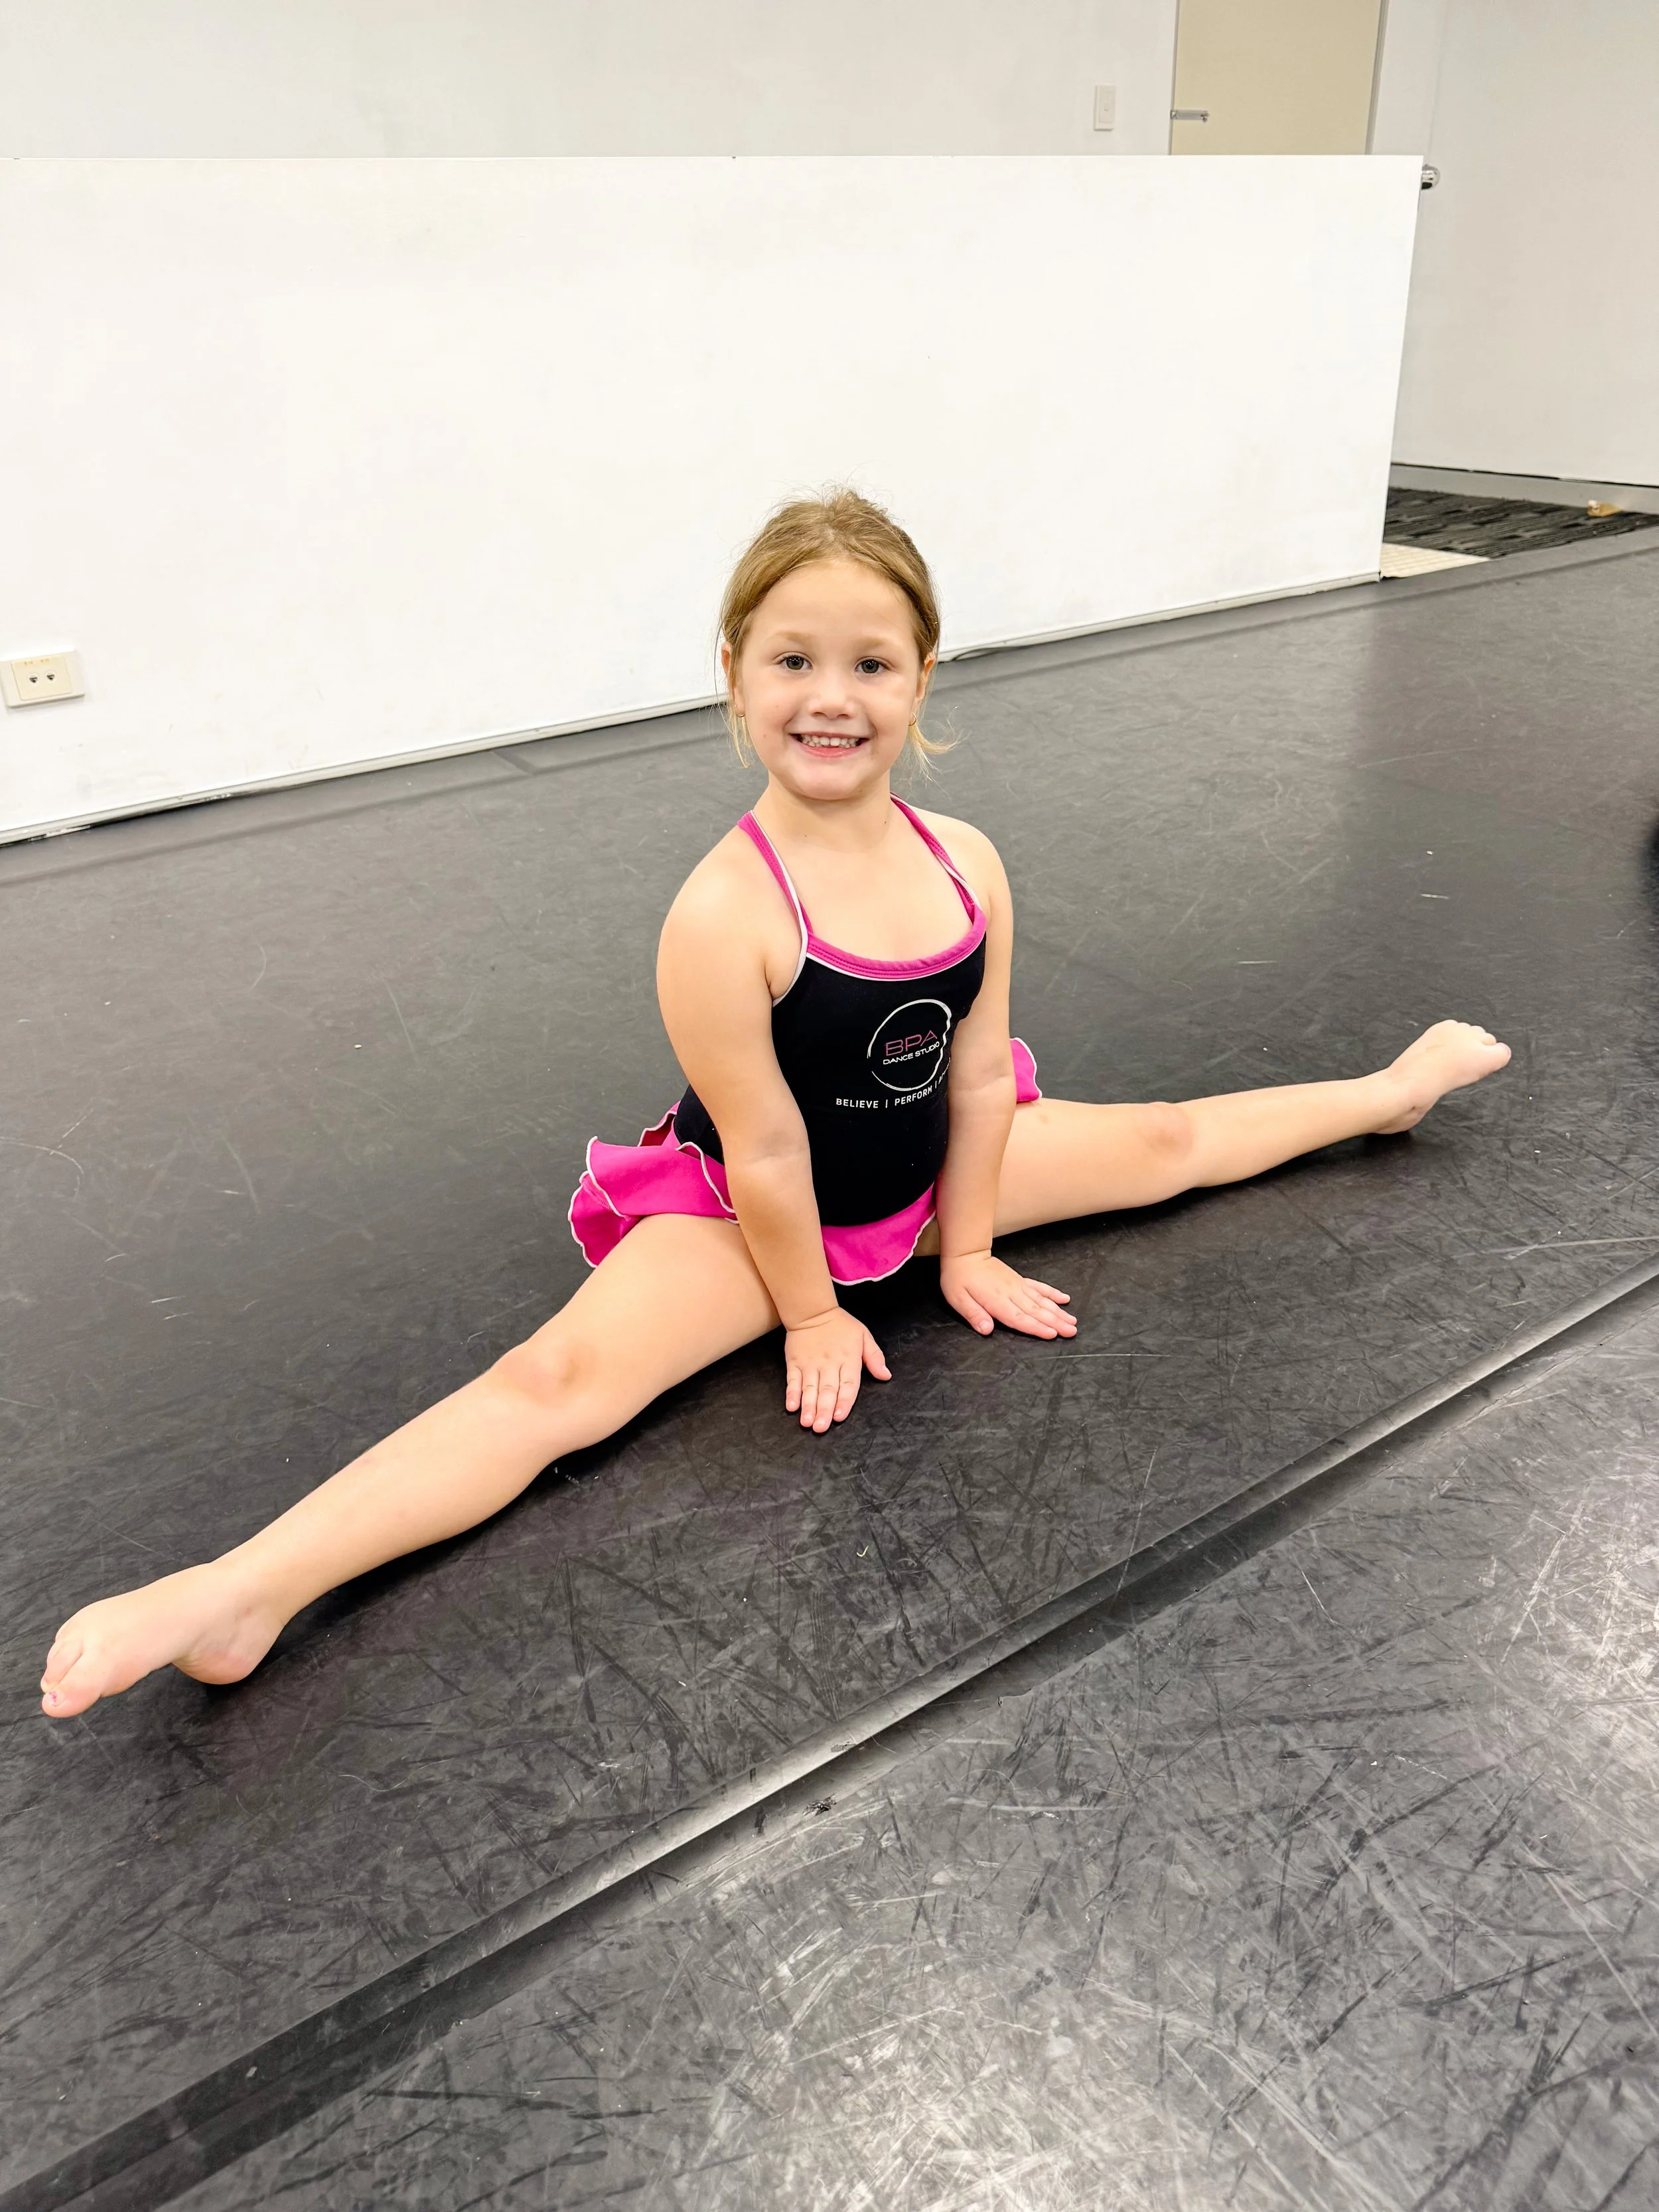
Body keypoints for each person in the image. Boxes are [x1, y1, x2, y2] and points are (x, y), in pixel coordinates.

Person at [38, 490, 1510, 1720]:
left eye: (870, 663)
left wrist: (968, 1245)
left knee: (1170, 1143)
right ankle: (248, 1587)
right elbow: (761, 1143)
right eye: (792, 659)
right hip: (757, 1213)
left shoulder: (969, 862)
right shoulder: (722, 912)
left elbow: (984, 1069)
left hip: (928, 1171)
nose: (830, 695)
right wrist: (809, 1308)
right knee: (556, 1390)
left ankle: (1381, 1096)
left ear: (921, 681)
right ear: (735, 674)